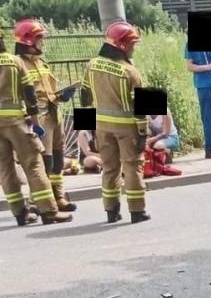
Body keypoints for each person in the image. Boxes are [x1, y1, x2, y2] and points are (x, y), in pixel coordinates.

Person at [80, 19, 149, 224]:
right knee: (132, 166)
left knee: (109, 168)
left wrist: (88, 127)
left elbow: (85, 98)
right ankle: (137, 211)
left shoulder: (92, 65)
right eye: (133, 45)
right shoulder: (131, 72)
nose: (134, 50)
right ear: (123, 45)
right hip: (127, 128)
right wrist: (143, 133)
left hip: (101, 127)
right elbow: (141, 108)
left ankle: (111, 211)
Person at [0, 27, 71, 225]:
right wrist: (35, 123)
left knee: (5, 168)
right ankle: (48, 211)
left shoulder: (36, 61)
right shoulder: (15, 62)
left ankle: (20, 214)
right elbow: (30, 95)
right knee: (34, 163)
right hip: (16, 120)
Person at [13, 17, 76, 213]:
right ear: (28, 40)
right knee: (43, 163)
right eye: (39, 38)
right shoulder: (19, 65)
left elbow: (49, 90)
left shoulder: (42, 63)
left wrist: (62, 95)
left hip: (54, 114)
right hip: (38, 119)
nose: (43, 42)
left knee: (58, 159)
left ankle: (59, 197)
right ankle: (37, 203)